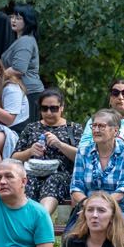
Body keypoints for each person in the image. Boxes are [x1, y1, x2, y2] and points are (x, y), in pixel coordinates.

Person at [11, 89, 80, 218]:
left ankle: (41, 218)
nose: (49, 113)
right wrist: (30, 151)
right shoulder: (31, 128)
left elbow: (82, 157)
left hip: (61, 175)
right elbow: (14, 157)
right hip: (33, 172)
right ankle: (24, 219)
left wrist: (60, 145)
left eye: (53, 108)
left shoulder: (73, 128)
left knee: (54, 180)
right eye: (44, 108)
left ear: (61, 108)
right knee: (27, 181)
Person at [68, 108, 124, 224]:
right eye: (94, 126)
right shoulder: (83, 152)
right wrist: (90, 206)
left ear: (115, 131)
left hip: (119, 207)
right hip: (87, 206)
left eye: (101, 126)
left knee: (118, 229)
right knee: (73, 233)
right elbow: (76, 187)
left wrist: (100, 207)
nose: (96, 130)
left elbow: (123, 189)